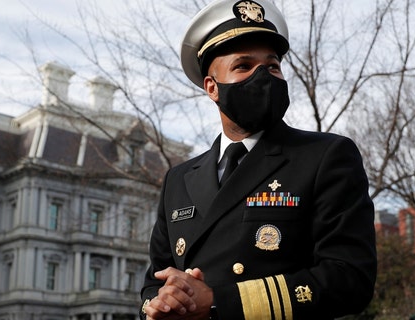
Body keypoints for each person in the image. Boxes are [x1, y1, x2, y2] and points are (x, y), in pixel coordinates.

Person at [140, 0, 377, 319]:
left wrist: (216, 302)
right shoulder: (179, 179)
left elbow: (349, 278)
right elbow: (154, 280)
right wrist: (157, 305)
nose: (263, 76)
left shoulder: (325, 157)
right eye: (243, 66)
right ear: (212, 87)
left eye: (272, 66)